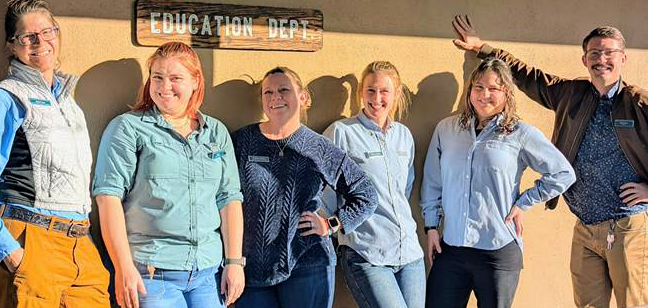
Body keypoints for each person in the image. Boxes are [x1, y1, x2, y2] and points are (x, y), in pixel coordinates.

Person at [451, 15, 648, 308]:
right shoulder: (572, 94)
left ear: (623, 59)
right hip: (584, 225)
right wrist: (483, 48)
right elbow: (528, 76)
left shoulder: (639, 102)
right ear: (584, 59)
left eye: (609, 53)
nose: (601, 60)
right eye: (594, 53)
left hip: (626, 224)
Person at [0, 0, 110, 308]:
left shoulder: (68, 103)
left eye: (48, 32)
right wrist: (11, 252)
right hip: (30, 240)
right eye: (28, 36)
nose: (41, 42)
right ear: (12, 45)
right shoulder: (4, 100)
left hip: (80, 247)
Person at [93, 42, 244, 308]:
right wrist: (124, 267)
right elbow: (108, 198)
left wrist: (234, 262)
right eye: (157, 77)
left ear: (196, 81)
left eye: (175, 78)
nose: (164, 87)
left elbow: (229, 198)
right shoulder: (128, 128)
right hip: (151, 273)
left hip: (207, 273)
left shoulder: (216, 132)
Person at [421, 58, 576, 308]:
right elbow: (432, 181)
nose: (485, 94)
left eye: (494, 88)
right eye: (479, 87)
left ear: (506, 93)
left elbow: (563, 173)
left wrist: (525, 201)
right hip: (451, 248)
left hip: (497, 251)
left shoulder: (520, 133)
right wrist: (430, 227)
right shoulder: (446, 129)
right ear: (469, 90)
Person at [231, 66, 377, 308]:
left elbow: (365, 194)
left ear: (303, 97)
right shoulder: (242, 141)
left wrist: (331, 224)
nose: (275, 97)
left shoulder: (319, 147)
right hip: (253, 268)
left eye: (283, 90)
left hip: (308, 265)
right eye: (268, 92)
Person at [322, 61, 425, 308]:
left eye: (384, 91)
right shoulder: (341, 133)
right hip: (367, 253)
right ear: (361, 92)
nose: (376, 98)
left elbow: (403, 190)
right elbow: (323, 193)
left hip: (410, 254)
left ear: (397, 94)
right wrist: (330, 225)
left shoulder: (404, 135)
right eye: (370, 90)